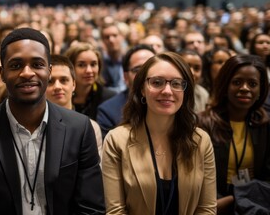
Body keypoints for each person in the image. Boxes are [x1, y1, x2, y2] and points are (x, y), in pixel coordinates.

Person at [0, 27, 105, 214]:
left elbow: (91, 208)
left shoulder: (79, 128)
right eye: (15, 65)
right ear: (2, 73)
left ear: (49, 71)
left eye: (37, 64)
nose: (27, 73)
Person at [102, 52, 217, 214]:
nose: (167, 91)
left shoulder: (201, 140)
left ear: (185, 91)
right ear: (142, 88)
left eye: (177, 84)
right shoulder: (117, 140)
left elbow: (207, 209)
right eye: (157, 82)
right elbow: (115, 211)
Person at [198, 55, 270, 214]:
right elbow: (196, 178)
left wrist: (236, 198)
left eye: (253, 84)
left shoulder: (265, 125)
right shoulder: (202, 124)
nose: (245, 88)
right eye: (237, 82)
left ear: (260, 90)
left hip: (254, 205)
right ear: (225, 86)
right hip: (213, 205)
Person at [46, 54, 103, 157]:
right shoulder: (35, 127)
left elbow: (93, 171)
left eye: (64, 80)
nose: (57, 86)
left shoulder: (91, 128)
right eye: (50, 81)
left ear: (73, 85)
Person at [97, 44, 155, 135]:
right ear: (126, 77)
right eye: (137, 70)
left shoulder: (169, 103)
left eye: (152, 68)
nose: (146, 74)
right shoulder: (108, 111)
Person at [65, 42, 116, 120]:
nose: (89, 70)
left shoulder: (110, 98)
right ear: (70, 68)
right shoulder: (61, 95)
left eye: (93, 64)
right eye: (81, 65)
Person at [100, 23, 127, 93]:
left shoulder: (129, 59)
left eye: (114, 35)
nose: (111, 40)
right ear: (103, 41)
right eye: (107, 37)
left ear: (122, 37)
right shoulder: (100, 62)